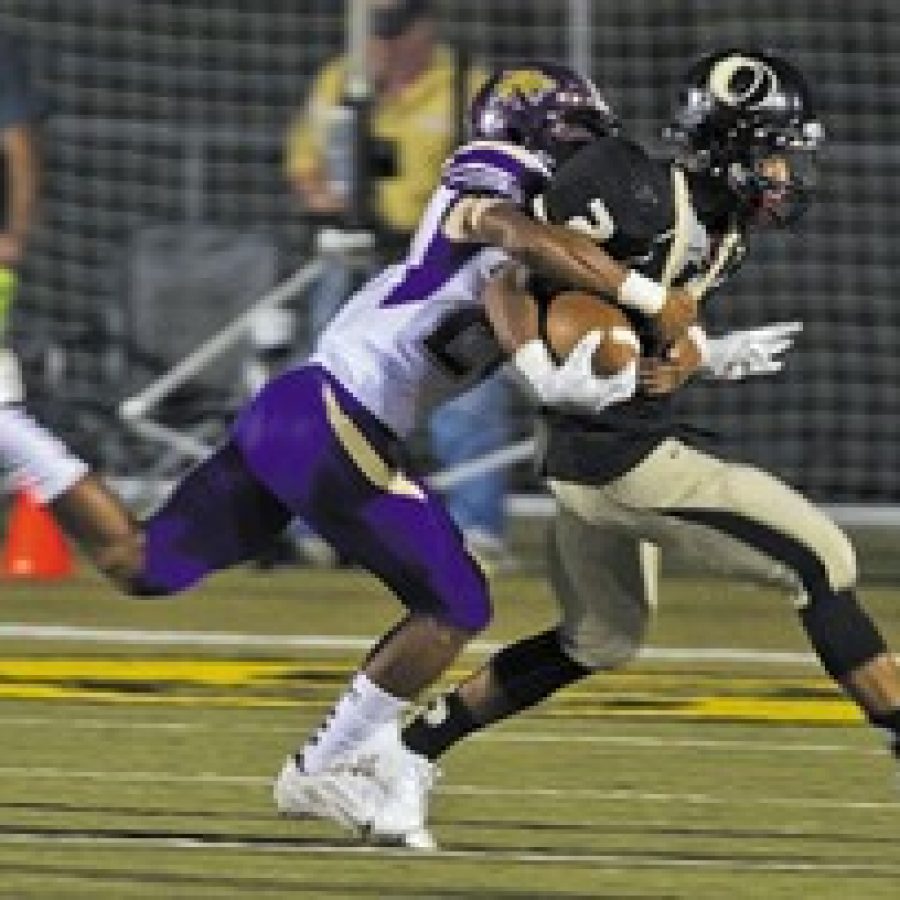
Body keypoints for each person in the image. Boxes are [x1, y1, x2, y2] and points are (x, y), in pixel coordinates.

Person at [2, 62, 701, 846]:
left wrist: (687, 349)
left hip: (301, 411)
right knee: (456, 602)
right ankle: (322, 767)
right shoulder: (500, 175)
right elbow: (514, 233)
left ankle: (9, 428)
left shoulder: (555, 246)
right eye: (580, 137)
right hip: (338, 414)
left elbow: (570, 328)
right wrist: (645, 300)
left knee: (142, 564)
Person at [310, 49, 900, 849]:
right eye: (771, 153)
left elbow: (668, 335)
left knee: (600, 639)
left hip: (608, 452)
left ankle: (407, 752)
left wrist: (698, 354)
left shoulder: (722, 229)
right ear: (727, 143)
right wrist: (546, 374)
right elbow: (510, 282)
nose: (785, 174)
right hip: (619, 464)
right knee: (821, 560)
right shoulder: (630, 186)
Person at [285, 1, 513, 562]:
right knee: (337, 382)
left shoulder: (467, 85)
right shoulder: (341, 81)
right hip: (354, 254)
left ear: (426, 27)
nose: (382, 46)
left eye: (393, 32)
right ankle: (324, 523)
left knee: (467, 389)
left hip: (443, 261)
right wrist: (321, 194)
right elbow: (303, 160)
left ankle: (474, 526)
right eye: (375, 33)